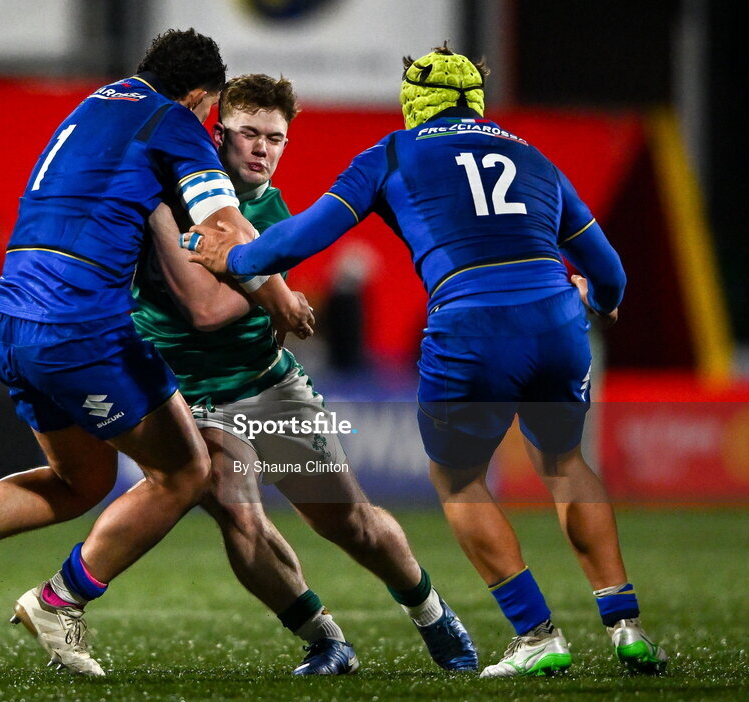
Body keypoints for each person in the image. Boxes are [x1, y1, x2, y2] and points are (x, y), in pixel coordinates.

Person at [183, 45, 668, 678]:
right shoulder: (534, 158)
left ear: (415, 103)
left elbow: (306, 237)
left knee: (461, 480)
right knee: (565, 464)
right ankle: (626, 626)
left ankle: (537, 635)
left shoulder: (391, 153)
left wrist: (235, 260)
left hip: (469, 323)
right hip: (556, 318)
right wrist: (591, 301)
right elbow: (612, 275)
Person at [0, 29, 313, 676]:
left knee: (80, 479)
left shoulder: (93, 104)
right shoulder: (174, 121)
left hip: (10, 320)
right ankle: (60, 601)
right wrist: (280, 297)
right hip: (81, 325)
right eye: (211, 112)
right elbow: (224, 227)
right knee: (187, 470)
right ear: (200, 97)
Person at [134, 73, 477, 675]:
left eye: (275, 137)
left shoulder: (271, 211)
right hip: (186, 398)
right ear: (219, 135)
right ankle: (325, 640)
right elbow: (216, 301)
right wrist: (275, 295)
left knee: (347, 521)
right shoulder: (165, 194)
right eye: (248, 134)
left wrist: (271, 291)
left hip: (266, 387)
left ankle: (432, 613)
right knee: (239, 518)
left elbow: (242, 296)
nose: (262, 149)